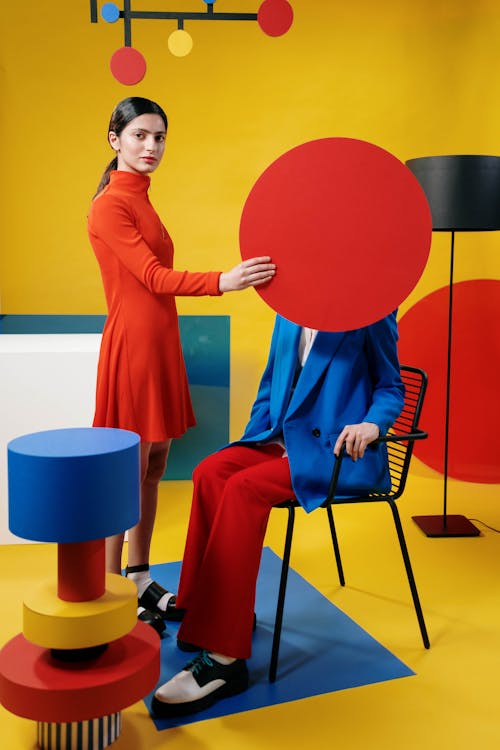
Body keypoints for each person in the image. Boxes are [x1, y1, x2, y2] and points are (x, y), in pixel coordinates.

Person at [152, 312, 405, 717]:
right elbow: (270, 385)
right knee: (210, 472)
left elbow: (391, 386)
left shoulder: (367, 309)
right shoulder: (286, 310)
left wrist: (373, 425)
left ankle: (224, 659)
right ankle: (208, 609)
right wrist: (254, 440)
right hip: (278, 440)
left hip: (336, 453)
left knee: (243, 489)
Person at [87, 96, 275, 634]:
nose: (151, 147)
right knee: (127, 471)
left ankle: (141, 576)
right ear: (115, 139)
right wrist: (223, 281)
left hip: (161, 343)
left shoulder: (142, 198)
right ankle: (112, 593)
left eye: (160, 137)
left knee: (154, 464)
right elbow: (150, 276)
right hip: (133, 348)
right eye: (141, 135)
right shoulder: (109, 205)